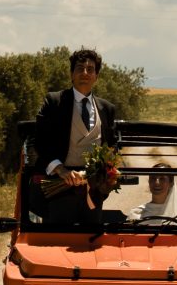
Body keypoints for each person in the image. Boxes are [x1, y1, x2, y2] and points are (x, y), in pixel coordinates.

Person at [34, 48, 117, 200]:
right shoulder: (54, 102)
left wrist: (99, 172)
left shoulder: (107, 109)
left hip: (93, 191)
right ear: (72, 74)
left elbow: (112, 146)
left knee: (92, 225)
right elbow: (40, 141)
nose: (85, 73)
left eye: (90, 69)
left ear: (96, 76)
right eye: (80, 68)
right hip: (57, 189)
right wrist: (60, 170)